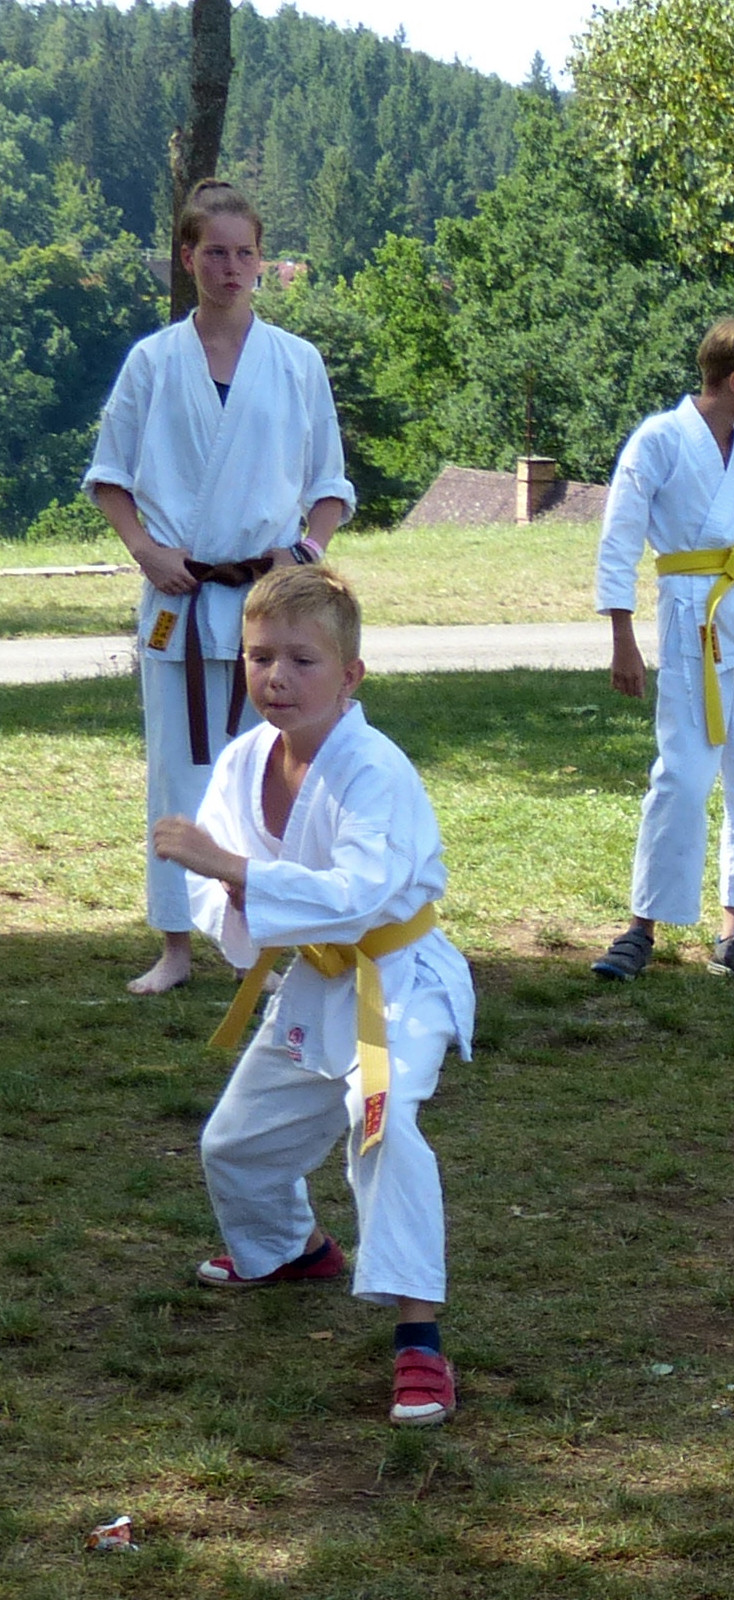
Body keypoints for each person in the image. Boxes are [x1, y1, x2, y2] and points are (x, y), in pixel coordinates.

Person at [152, 564, 474, 1429]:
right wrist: (235, 884)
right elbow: (220, 896)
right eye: (260, 657)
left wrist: (234, 868)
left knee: (381, 1127)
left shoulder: (375, 768)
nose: (277, 678)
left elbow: (361, 894)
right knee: (236, 1146)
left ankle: (419, 1338)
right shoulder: (243, 759)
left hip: (396, 981)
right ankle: (294, 1248)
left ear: (350, 674)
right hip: (316, 977)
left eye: (302, 660)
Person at [86, 177, 355, 997]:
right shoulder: (153, 361)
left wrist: (304, 551)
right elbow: (109, 476)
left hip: (270, 605)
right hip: (180, 594)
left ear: (262, 260)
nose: (231, 268)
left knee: (273, 773)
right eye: (215, 252)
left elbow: (330, 486)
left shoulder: (297, 363)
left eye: (245, 253)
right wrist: (145, 550)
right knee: (176, 774)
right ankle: (175, 945)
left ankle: (263, 947)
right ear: (187, 257)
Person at [588, 318, 734, 989]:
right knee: (682, 772)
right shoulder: (659, 439)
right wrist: (622, 636)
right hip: (689, 615)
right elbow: (619, 539)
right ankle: (642, 926)